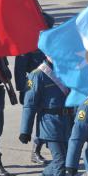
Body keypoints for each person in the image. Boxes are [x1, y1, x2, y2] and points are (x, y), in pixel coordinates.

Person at [19, 56, 80, 176]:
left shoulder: (68, 69)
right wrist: (25, 130)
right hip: (50, 122)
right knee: (60, 161)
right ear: (46, 53)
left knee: (66, 159)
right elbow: (30, 103)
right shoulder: (37, 75)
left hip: (68, 121)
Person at [14, 12, 55, 165]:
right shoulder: (28, 43)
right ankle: (36, 150)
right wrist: (22, 90)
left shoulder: (50, 42)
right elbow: (19, 70)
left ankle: (44, 147)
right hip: (34, 87)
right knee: (38, 119)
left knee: (47, 118)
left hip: (51, 88)